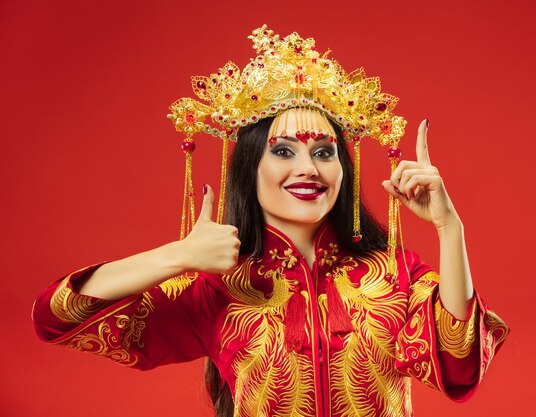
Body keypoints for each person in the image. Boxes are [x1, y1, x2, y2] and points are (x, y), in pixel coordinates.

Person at [32, 25, 509, 417]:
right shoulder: (218, 288)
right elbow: (56, 315)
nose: (308, 168)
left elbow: (460, 365)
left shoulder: (393, 273)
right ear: (249, 168)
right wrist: (177, 256)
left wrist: (450, 229)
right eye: (283, 151)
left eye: (324, 153)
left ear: (345, 169)